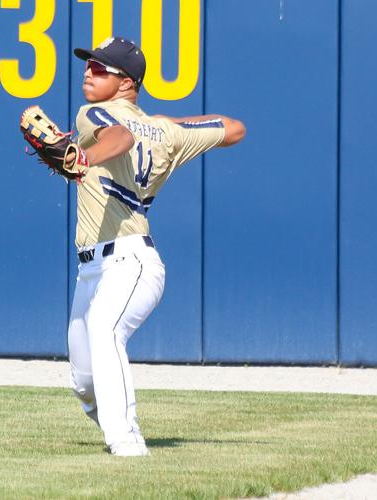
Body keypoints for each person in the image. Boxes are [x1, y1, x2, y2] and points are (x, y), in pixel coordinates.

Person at [67, 37, 246, 457]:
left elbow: (121, 140)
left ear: (126, 82)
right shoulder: (167, 131)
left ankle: (127, 442)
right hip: (92, 271)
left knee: (106, 332)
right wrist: (176, 128)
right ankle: (111, 414)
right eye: (88, 65)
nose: (88, 72)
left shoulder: (92, 113)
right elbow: (234, 128)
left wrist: (85, 159)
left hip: (130, 261)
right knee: (83, 380)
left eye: (100, 69)